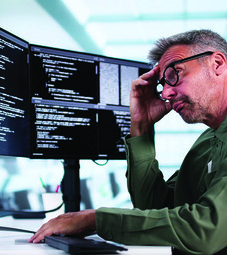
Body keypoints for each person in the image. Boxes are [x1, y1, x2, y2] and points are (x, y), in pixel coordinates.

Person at [29, 29, 227, 255]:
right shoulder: (208, 141)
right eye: (163, 85)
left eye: (174, 74)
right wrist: (141, 125)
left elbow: (206, 229)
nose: (168, 93)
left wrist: (95, 220)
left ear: (217, 63)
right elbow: (154, 209)